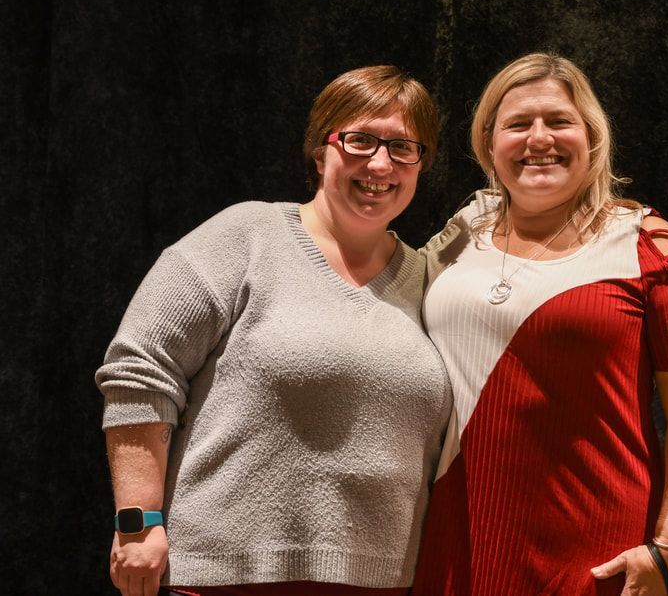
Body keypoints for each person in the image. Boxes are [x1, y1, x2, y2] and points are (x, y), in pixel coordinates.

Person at [95, 65, 452, 596]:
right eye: (360, 140)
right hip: (229, 575)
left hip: (384, 581)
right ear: (320, 149)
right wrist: (138, 524)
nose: (381, 163)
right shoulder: (248, 236)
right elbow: (139, 369)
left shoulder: (432, 280)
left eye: (403, 147)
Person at [411, 53, 668, 596]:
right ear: (488, 144)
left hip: (593, 555)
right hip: (452, 542)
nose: (538, 138)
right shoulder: (462, 232)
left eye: (558, 121)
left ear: (592, 137)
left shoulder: (648, 243)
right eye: (517, 124)